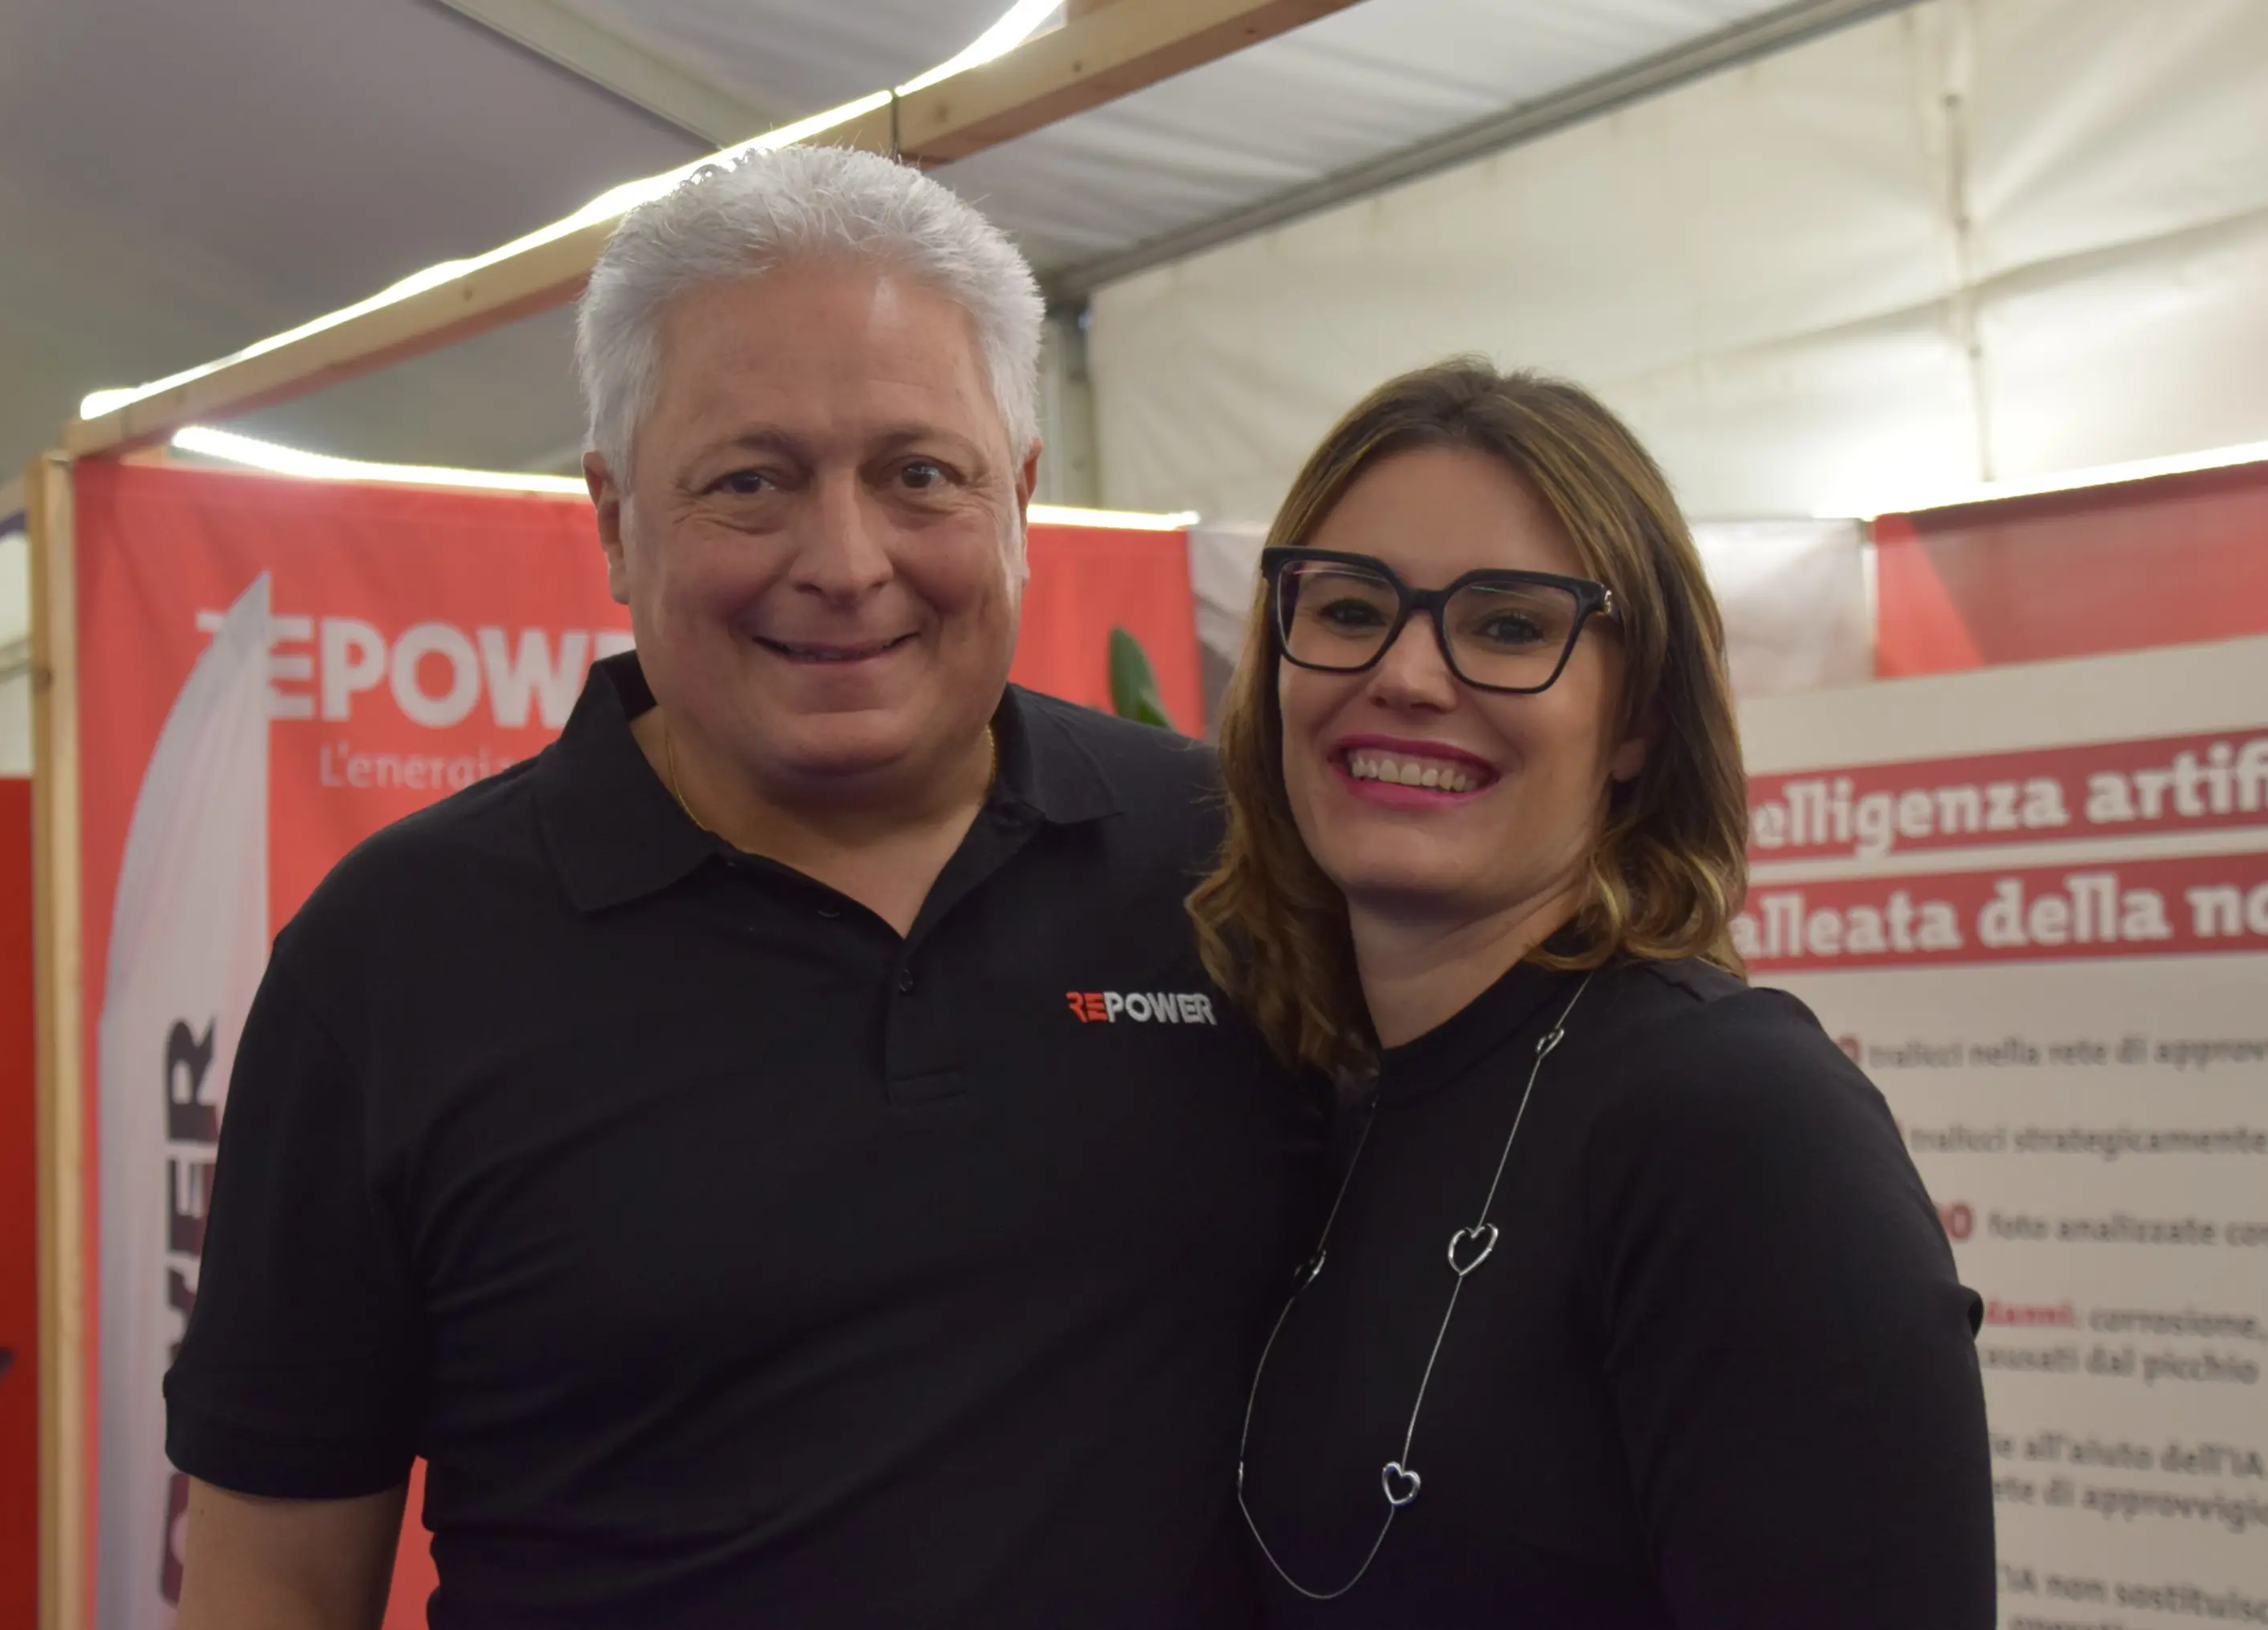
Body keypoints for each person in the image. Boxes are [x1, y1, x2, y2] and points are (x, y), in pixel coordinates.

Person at [166, 145, 1316, 1630]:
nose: (845, 562)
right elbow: (273, 1579)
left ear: (1018, 495)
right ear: (611, 520)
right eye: (751, 483)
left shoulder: (1232, 864)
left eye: (919, 475)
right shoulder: (395, 957)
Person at [1190, 359, 1993, 1627]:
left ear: (1638, 727)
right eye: (1349, 609)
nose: (1405, 675)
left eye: (1509, 625)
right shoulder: (1325, 1098)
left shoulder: (1737, 1122)